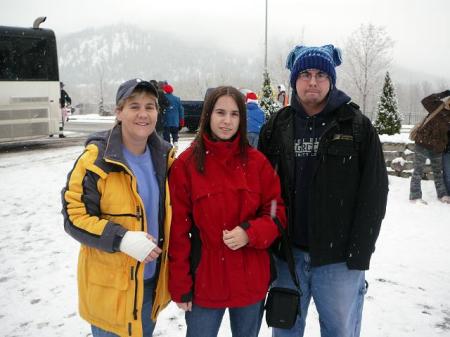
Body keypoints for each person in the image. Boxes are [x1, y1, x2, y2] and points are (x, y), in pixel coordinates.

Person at [258, 44, 389, 337]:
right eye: (305, 74)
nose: (313, 81)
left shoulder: (357, 127)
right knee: (285, 331)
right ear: (294, 80)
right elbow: (261, 191)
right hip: (287, 257)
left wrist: (359, 252)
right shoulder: (276, 127)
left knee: (340, 331)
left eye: (320, 74)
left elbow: (374, 194)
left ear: (331, 80)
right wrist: (268, 244)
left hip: (339, 261)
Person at [168, 86, 286, 337]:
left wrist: (250, 233)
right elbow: (177, 230)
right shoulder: (186, 165)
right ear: (208, 115)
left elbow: (276, 213)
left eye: (234, 114)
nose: (227, 121)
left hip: (250, 278)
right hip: (206, 281)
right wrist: (180, 283)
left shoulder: (257, 163)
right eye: (220, 112)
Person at [61, 78, 175, 337]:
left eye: (150, 106)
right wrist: (121, 239)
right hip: (110, 289)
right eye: (134, 106)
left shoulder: (166, 159)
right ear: (119, 112)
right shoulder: (95, 160)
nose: (143, 114)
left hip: (149, 285)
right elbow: (73, 216)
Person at [409, 90, 450, 204]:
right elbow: (425, 100)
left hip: (438, 148)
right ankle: (415, 196)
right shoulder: (436, 106)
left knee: (438, 172)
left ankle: (442, 195)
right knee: (418, 170)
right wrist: (445, 93)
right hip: (423, 143)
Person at [162, 83, 184, 147]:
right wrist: (181, 120)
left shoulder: (163, 98)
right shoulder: (177, 99)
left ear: (164, 90)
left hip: (166, 122)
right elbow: (181, 110)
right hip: (175, 121)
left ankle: (168, 148)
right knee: (175, 135)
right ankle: (175, 143)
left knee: (166, 138)